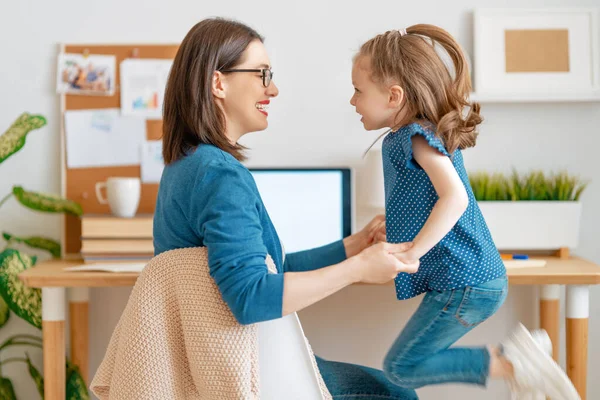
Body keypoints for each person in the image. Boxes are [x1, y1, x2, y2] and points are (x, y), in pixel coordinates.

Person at [153, 17, 420, 399]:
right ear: (218, 83)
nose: (273, 89)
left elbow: (270, 270)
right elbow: (251, 297)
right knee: (397, 394)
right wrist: (357, 269)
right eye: (262, 74)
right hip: (251, 373)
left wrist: (355, 245)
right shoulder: (220, 177)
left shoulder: (186, 166)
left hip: (219, 366)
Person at [349, 24, 580, 399]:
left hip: (466, 282)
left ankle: (515, 363)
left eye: (358, 91)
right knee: (403, 366)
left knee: (401, 367)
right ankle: (516, 360)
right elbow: (426, 199)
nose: (352, 101)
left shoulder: (416, 136)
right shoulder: (410, 136)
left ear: (393, 96)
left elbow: (453, 198)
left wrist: (412, 251)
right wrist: (393, 229)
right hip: (467, 281)